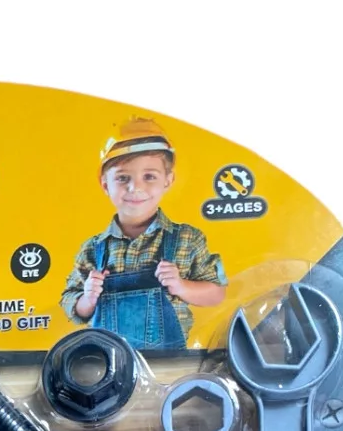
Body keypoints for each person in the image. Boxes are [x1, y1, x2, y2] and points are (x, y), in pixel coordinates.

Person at [60, 118, 226, 350]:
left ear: (168, 180)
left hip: (169, 363)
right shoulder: (93, 248)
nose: (135, 187)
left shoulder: (188, 239)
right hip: (109, 359)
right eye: (122, 178)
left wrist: (181, 286)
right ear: (105, 184)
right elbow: (69, 301)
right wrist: (87, 299)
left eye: (149, 176)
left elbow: (217, 293)